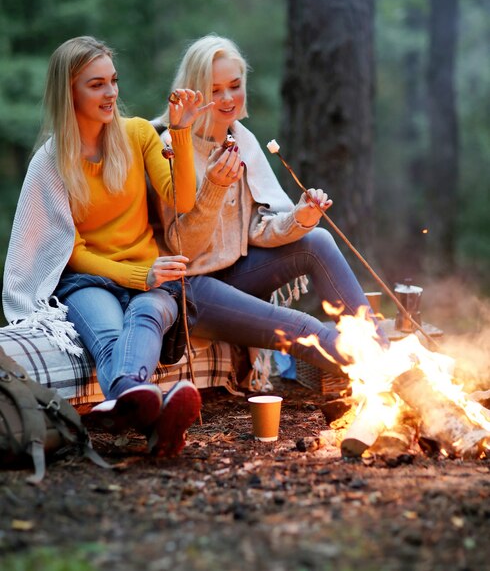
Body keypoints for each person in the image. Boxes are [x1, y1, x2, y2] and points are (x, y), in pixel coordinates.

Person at [2, 36, 212, 457]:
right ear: (70, 92)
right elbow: (71, 250)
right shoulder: (51, 161)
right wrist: (139, 274)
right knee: (110, 333)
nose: (111, 92)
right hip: (89, 281)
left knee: (150, 313)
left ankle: (129, 404)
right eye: (96, 84)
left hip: (153, 280)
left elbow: (182, 200)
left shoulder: (136, 135)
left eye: (113, 81)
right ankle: (154, 417)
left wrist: (182, 131)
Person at [152, 34, 387, 381]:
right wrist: (215, 188)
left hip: (236, 274)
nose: (228, 98)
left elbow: (259, 229)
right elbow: (184, 249)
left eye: (235, 85)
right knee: (304, 327)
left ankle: (382, 350)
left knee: (317, 240)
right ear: (194, 92)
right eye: (215, 90)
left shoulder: (241, 139)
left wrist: (300, 219)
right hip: (191, 288)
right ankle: (392, 376)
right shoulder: (171, 146)